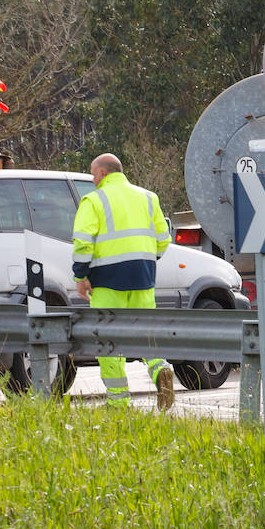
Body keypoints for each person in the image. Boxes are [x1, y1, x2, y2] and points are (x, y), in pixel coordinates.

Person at [72, 153, 176, 410]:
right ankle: (160, 369)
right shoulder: (148, 197)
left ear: (103, 173)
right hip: (142, 277)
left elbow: (83, 242)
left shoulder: (93, 200)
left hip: (106, 281)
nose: (93, 179)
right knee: (146, 332)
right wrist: (146, 260)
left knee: (108, 338)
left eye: (93, 174)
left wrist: (80, 275)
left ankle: (118, 400)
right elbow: (163, 239)